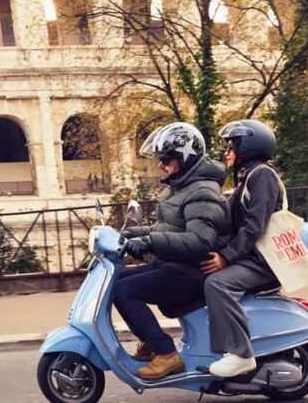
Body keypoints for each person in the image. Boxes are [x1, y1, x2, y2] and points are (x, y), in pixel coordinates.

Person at [115, 122, 230, 380]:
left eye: (166, 159)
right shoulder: (179, 188)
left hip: (191, 270)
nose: (160, 165)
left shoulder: (202, 191)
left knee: (124, 291)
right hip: (173, 263)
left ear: (184, 159)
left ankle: (166, 353)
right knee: (116, 281)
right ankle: (151, 342)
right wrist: (127, 235)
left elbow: (200, 241)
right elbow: (164, 228)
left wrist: (150, 242)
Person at [200, 119, 282, 378]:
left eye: (231, 147)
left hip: (263, 260)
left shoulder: (263, 175)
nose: (227, 153)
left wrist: (226, 257)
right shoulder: (247, 178)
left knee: (218, 284)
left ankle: (241, 354)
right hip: (250, 257)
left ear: (247, 147)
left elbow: (254, 226)